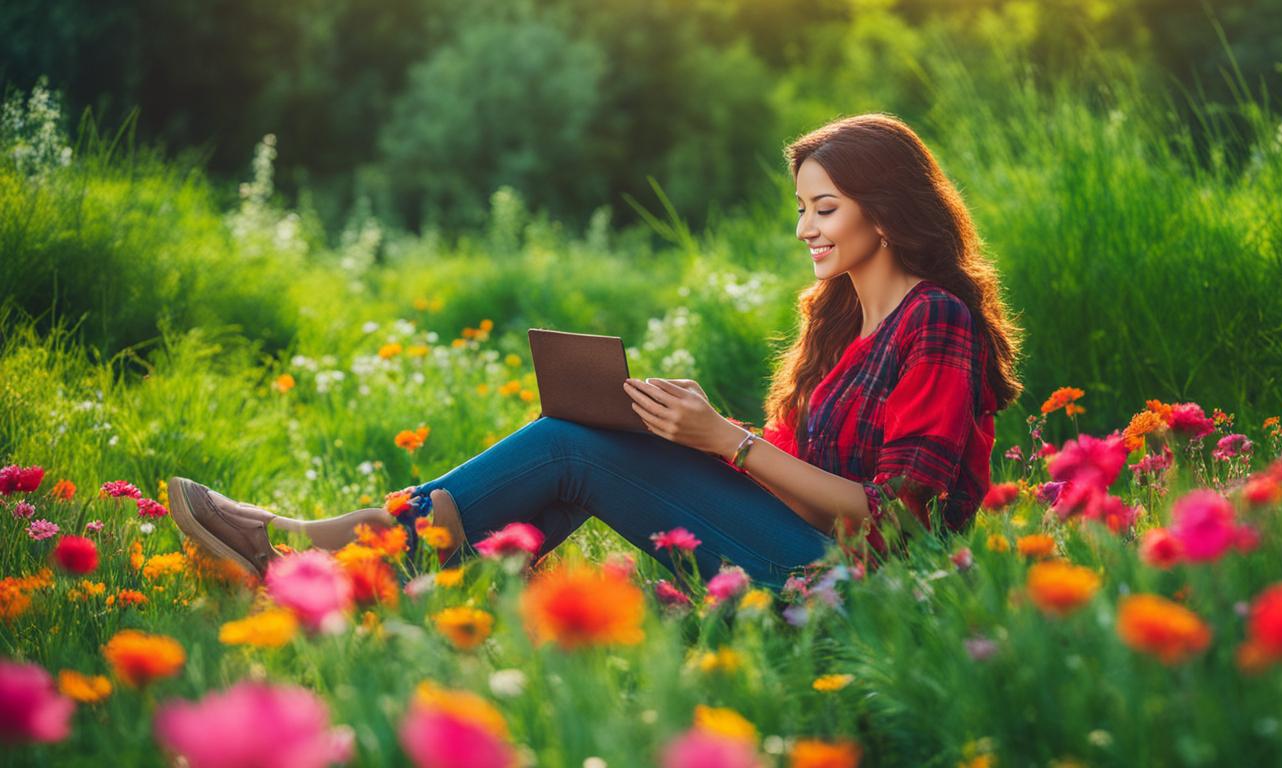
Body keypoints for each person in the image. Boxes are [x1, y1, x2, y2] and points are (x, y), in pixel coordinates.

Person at [167, 112, 1023, 592]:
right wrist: (689, 430)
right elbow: (798, 480)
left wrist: (727, 444)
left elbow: (893, 519)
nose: (806, 228)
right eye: (801, 208)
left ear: (883, 208)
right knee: (590, 434)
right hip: (802, 546)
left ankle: (322, 554)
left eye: (826, 208)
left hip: (861, 590)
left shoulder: (933, 321)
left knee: (574, 448)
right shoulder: (839, 326)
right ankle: (361, 573)